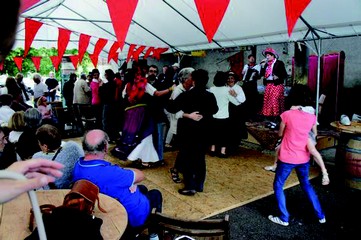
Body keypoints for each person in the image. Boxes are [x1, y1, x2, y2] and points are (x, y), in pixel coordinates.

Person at [72, 129, 162, 239]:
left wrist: (126, 181)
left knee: (142, 188)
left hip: (103, 205)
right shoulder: (112, 173)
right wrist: (124, 175)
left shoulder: (78, 165)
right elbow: (140, 175)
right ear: (105, 147)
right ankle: (154, 235)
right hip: (127, 220)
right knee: (156, 194)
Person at [268, 84, 326, 226]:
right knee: (306, 184)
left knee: (278, 185)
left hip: (287, 158)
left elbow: (280, 134)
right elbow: (314, 136)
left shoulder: (286, 115)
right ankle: (321, 215)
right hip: (304, 158)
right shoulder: (311, 117)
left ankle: (283, 217)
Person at [166, 69, 218, 196]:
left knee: (188, 157)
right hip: (204, 131)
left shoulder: (186, 95)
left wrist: (186, 114)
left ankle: (190, 185)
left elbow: (171, 108)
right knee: (200, 158)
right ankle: (199, 184)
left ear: (193, 81)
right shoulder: (210, 96)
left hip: (188, 131)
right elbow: (215, 110)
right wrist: (203, 114)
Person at [264, 106, 330, 185]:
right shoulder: (306, 116)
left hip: (306, 136)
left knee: (313, 152)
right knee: (279, 147)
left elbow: (314, 133)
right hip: (300, 135)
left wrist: (309, 139)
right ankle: (275, 165)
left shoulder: (308, 117)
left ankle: (324, 173)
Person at [32, 124, 84, 189]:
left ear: (45, 146)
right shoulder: (74, 148)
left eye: (39, 143)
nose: (39, 145)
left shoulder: (37, 158)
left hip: (51, 194)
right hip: (76, 189)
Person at [166, 67, 195, 184]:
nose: (193, 80)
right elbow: (174, 110)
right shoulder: (177, 91)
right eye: (192, 77)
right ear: (185, 79)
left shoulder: (190, 90)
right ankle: (175, 170)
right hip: (179, 124)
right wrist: (187, 115)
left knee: (186, 149)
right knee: (183, 149)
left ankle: (181, 168)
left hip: (187, 125)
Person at [209, 71, 244, 158]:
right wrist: (234, 95)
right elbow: (237, 103)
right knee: (224, 135)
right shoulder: (227, 90)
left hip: (213, 115)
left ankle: (212, 150)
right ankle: (222, 152)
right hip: (223, 116)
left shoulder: (211, 89)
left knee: (213, 133)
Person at [260, 47, 287, 126]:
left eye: (268, 55)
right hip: (269, 84)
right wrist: (262, 66)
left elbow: (284, 74)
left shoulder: (279, 63)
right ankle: (270, 117)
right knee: (268, 100)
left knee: (275, 99)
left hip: (277, 84)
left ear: (273, 56)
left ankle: (277, 116)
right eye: (266, 55)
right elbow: (262, 74)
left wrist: (278, 76)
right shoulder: (266, 64)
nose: (267, 57)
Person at [241, 54, 261, 120]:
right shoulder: (246, 66)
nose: (252, 59)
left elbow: (259, 75)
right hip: (245, 84)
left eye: (253, 58)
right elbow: (243, 73)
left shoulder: (257, 66)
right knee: (245, 99)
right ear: (248, 59)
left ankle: (253, 115)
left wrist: (255, 73)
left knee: (252, 100)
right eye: (251, 58)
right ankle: (246, 115)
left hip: (252, 84)